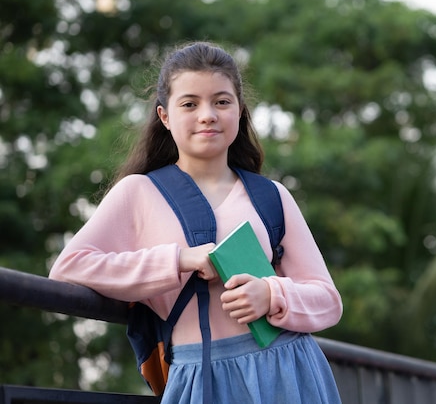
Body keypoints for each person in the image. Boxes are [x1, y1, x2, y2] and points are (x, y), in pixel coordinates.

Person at [49, 41, 343, 403]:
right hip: (200, 379)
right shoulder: (138, 192)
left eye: (222, 101)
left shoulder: (272, 195)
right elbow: (68, 269)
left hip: (290, 372)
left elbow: (328, 300)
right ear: (165, 116)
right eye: (190, 104)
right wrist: (179, 259)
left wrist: (270, 294)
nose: (208, 115)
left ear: (239, 110)